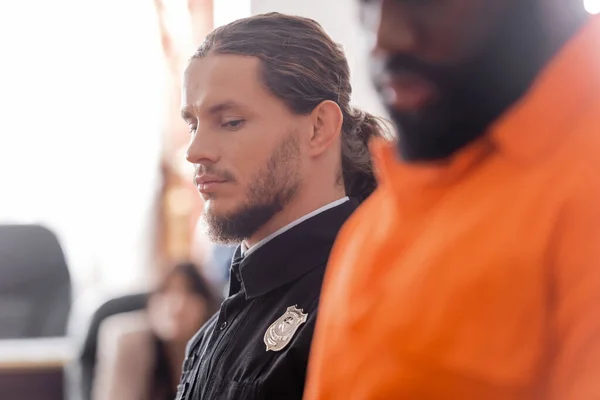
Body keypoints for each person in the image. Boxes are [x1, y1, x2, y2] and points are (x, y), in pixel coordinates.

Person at [305, 0, 600, 399]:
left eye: (423, 4)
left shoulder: (584, 185)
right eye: (369, 4)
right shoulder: (384, 211)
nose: (383, 38)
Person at [177, 12, 389, 400]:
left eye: (231, 121)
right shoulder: (206, 338)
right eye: (193, 125)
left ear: (318, 128)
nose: (195, 151)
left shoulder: (367, 305)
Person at [92, 262, 218, 400]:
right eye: (166, 292)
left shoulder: (218, 346)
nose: (177, 305)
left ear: (206, 306)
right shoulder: (131, 342)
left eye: (189, 292)